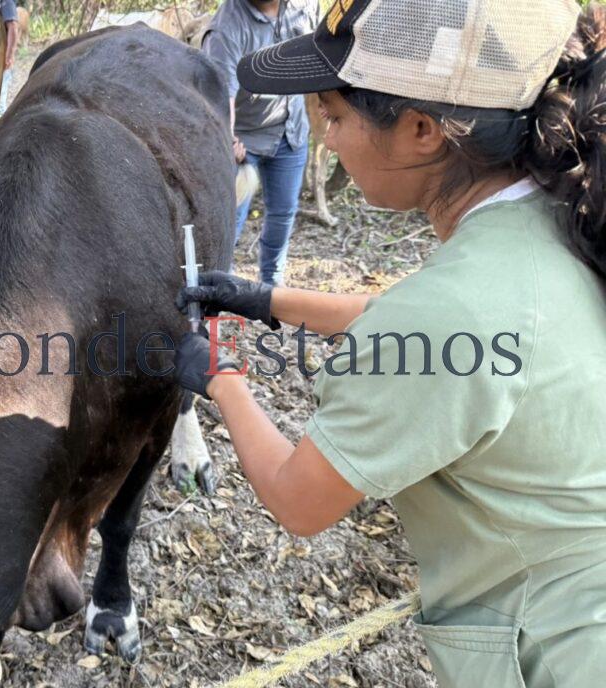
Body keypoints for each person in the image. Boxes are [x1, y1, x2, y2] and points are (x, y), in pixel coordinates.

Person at [173, 1, 606, 686]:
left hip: (558, 654)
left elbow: (297, 498)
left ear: (421, 130)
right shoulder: (552, 213)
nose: (327, 138)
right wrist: (267, 300)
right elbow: (421, 324)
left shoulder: (452, 311)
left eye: (335, 116)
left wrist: (220, 376)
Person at [202, 0, 318, 285]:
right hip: (244, 141)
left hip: (291, 131)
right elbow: (221, 96)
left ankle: (272, 286)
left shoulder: (303, 7)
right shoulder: (226, 28)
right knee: (230, 221)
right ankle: (218, 289)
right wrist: (227, 140)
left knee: (283, 213)